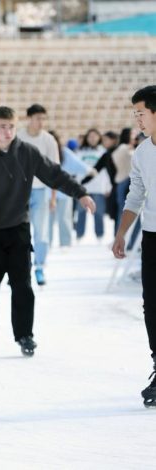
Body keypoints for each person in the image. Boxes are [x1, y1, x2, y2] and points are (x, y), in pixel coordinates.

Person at [0, 106, 95, 356]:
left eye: (11, 126)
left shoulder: (27, 153)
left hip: (18, 229)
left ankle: (24, 335)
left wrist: (81, 193)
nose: (7, 131)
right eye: (2, 126)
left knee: (22, 285)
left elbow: (54, 174)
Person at [112, 85, 156, 408]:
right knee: (151, 305)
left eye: (140, 113)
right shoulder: (142, 152)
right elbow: (135, 194)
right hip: (152, 236)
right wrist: (121, 232)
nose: (137, 119)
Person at [16, 104, 60, 286]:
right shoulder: (18, 137)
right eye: (37, 118)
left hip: (41, 192)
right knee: (18, 232)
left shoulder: (49, 140)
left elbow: (55, 171)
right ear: (29, 118)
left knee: (41, 234)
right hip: (19, 192)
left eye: (43, 118)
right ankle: (19, 269)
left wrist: (53, 197)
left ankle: (40, 266)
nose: (41, 122)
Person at [47, 131, 94, 248]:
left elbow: (79, 164)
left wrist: (90, 170)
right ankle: (46, 243)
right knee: (47, 220)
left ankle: (65, 243)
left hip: (63, 192)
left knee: (64, 219)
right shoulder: (42, 153)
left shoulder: (64, 153)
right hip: (47, 194)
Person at [75, 128, 110, 242]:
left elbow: (106, 172)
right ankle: (79, 235)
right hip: (83, 188)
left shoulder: (103, 151)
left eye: (95, 136)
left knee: (99, 212)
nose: (93, 138)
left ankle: (99, 235)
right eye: (90, 136)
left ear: (99, 138)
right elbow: (76, 170)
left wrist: (107, 186)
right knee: (80, 212)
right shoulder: (80, 152)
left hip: (98, 187)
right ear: (86, 138)